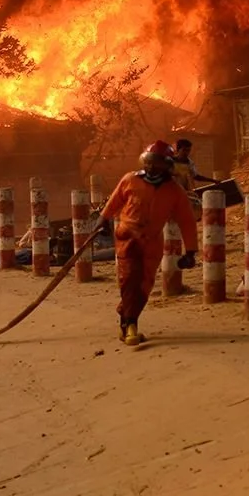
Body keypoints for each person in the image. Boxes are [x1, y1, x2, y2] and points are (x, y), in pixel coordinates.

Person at [99, 142, 198, 346]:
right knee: (129, 278)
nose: (151, 167)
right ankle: (131, 325)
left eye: (156, 163)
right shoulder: (130, 179)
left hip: (152, 243)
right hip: (128, 238)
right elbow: (114, 202)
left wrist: (190, 251)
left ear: (167, 165)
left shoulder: (174, 191)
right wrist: (102, 220)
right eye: (149, 162)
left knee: (144, 284)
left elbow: (187, 221)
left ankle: (125, 316)